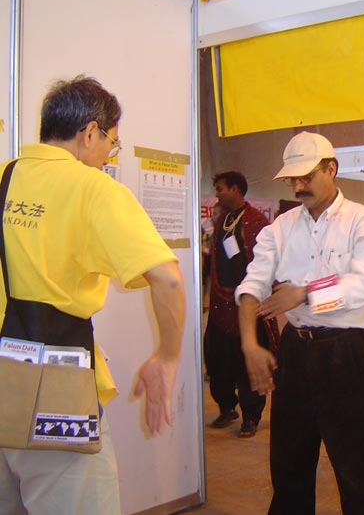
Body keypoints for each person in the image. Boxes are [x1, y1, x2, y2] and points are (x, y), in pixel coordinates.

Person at [0, 76, 185, 515]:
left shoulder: (5, 174)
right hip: (55, 388)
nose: (108, 156)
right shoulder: (93, 187)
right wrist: (167, 356)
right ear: (89, 133)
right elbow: (169, 279)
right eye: (111, 144)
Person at [235, 131, 364, 515]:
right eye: (292, 179)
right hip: (296, 349)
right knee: (289, 460)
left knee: (356, 464)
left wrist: (305, 293)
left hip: (344, 350)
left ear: (331, 169)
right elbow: (252, 284)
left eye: (306, 176)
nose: (298, 186)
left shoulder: (361, 220)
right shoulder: (282, 226)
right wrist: (249, 345)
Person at [203, 170, 270, 436]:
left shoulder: (256, 221)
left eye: (220, 189)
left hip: (247, 305)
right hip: (221, 304)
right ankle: (226, 407)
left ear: (235, 189)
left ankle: (251, 416)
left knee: (246, 363)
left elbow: (263, 265)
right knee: (218, 360)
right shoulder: (222, 220)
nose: (217, 194)